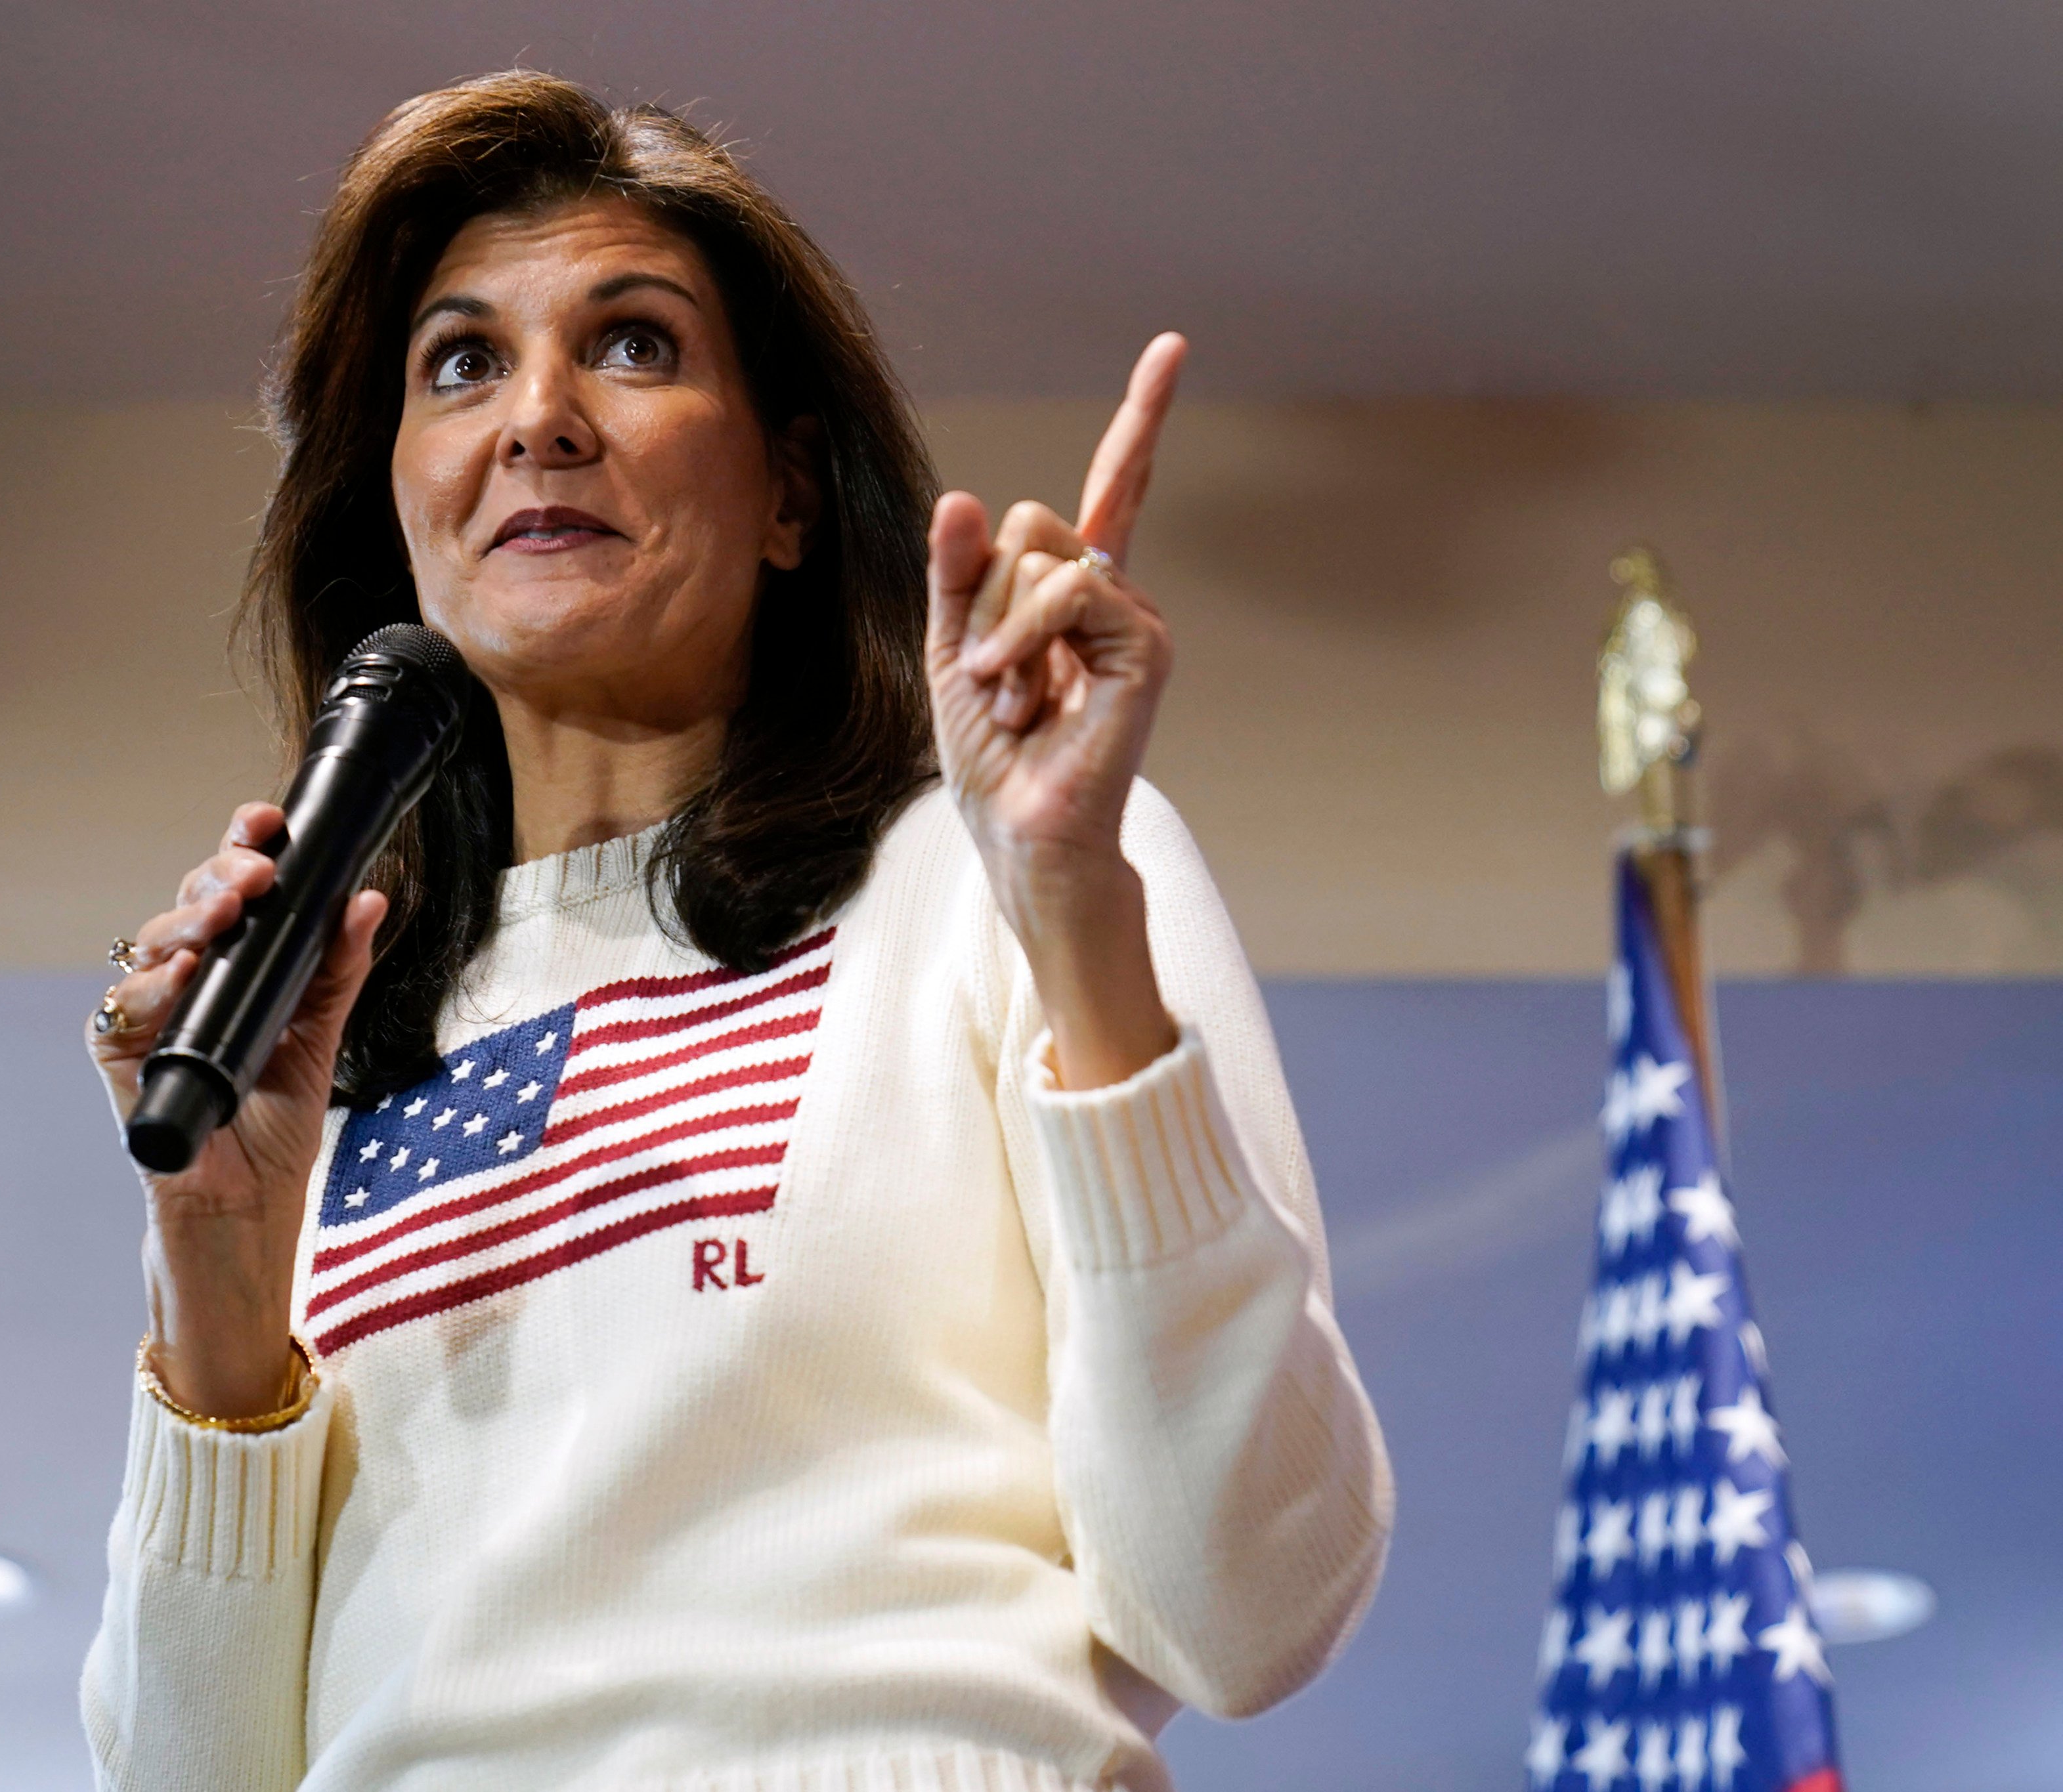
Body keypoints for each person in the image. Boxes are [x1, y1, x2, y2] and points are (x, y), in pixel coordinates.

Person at [81, 70, 1391, 1792]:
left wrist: (1071, 899)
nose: (537, 417)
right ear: (398, 509)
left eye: (631, 344)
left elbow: (1250, 1601)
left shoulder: (997, 877)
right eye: (460, 361)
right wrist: (223, 1254)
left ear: (788, 492)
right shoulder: (312, 1044)